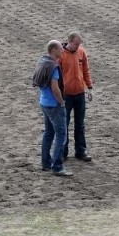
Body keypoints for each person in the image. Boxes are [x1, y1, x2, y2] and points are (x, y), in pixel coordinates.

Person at [32, 40, 72, 177]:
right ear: (54, 50)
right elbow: (55, 88)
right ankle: (57, 166)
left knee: (48, 133)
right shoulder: (54, 66)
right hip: (54, 105)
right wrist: (61, 102)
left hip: (43, 102)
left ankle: (45, 163)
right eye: (61, 49)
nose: (62, 51)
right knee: (61, 135)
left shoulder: (43, 61)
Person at [59, 31, 94, 162]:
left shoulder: (81, 52)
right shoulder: (61, 55)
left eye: (79, 44)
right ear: (69, 41)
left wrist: (89, 88)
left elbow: (86, 71)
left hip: (79, 93)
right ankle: (63, 152)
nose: (78, 46)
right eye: (76, 44)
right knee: (64, 124)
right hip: (66, 95)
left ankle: (81, 151)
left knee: (80, 125)